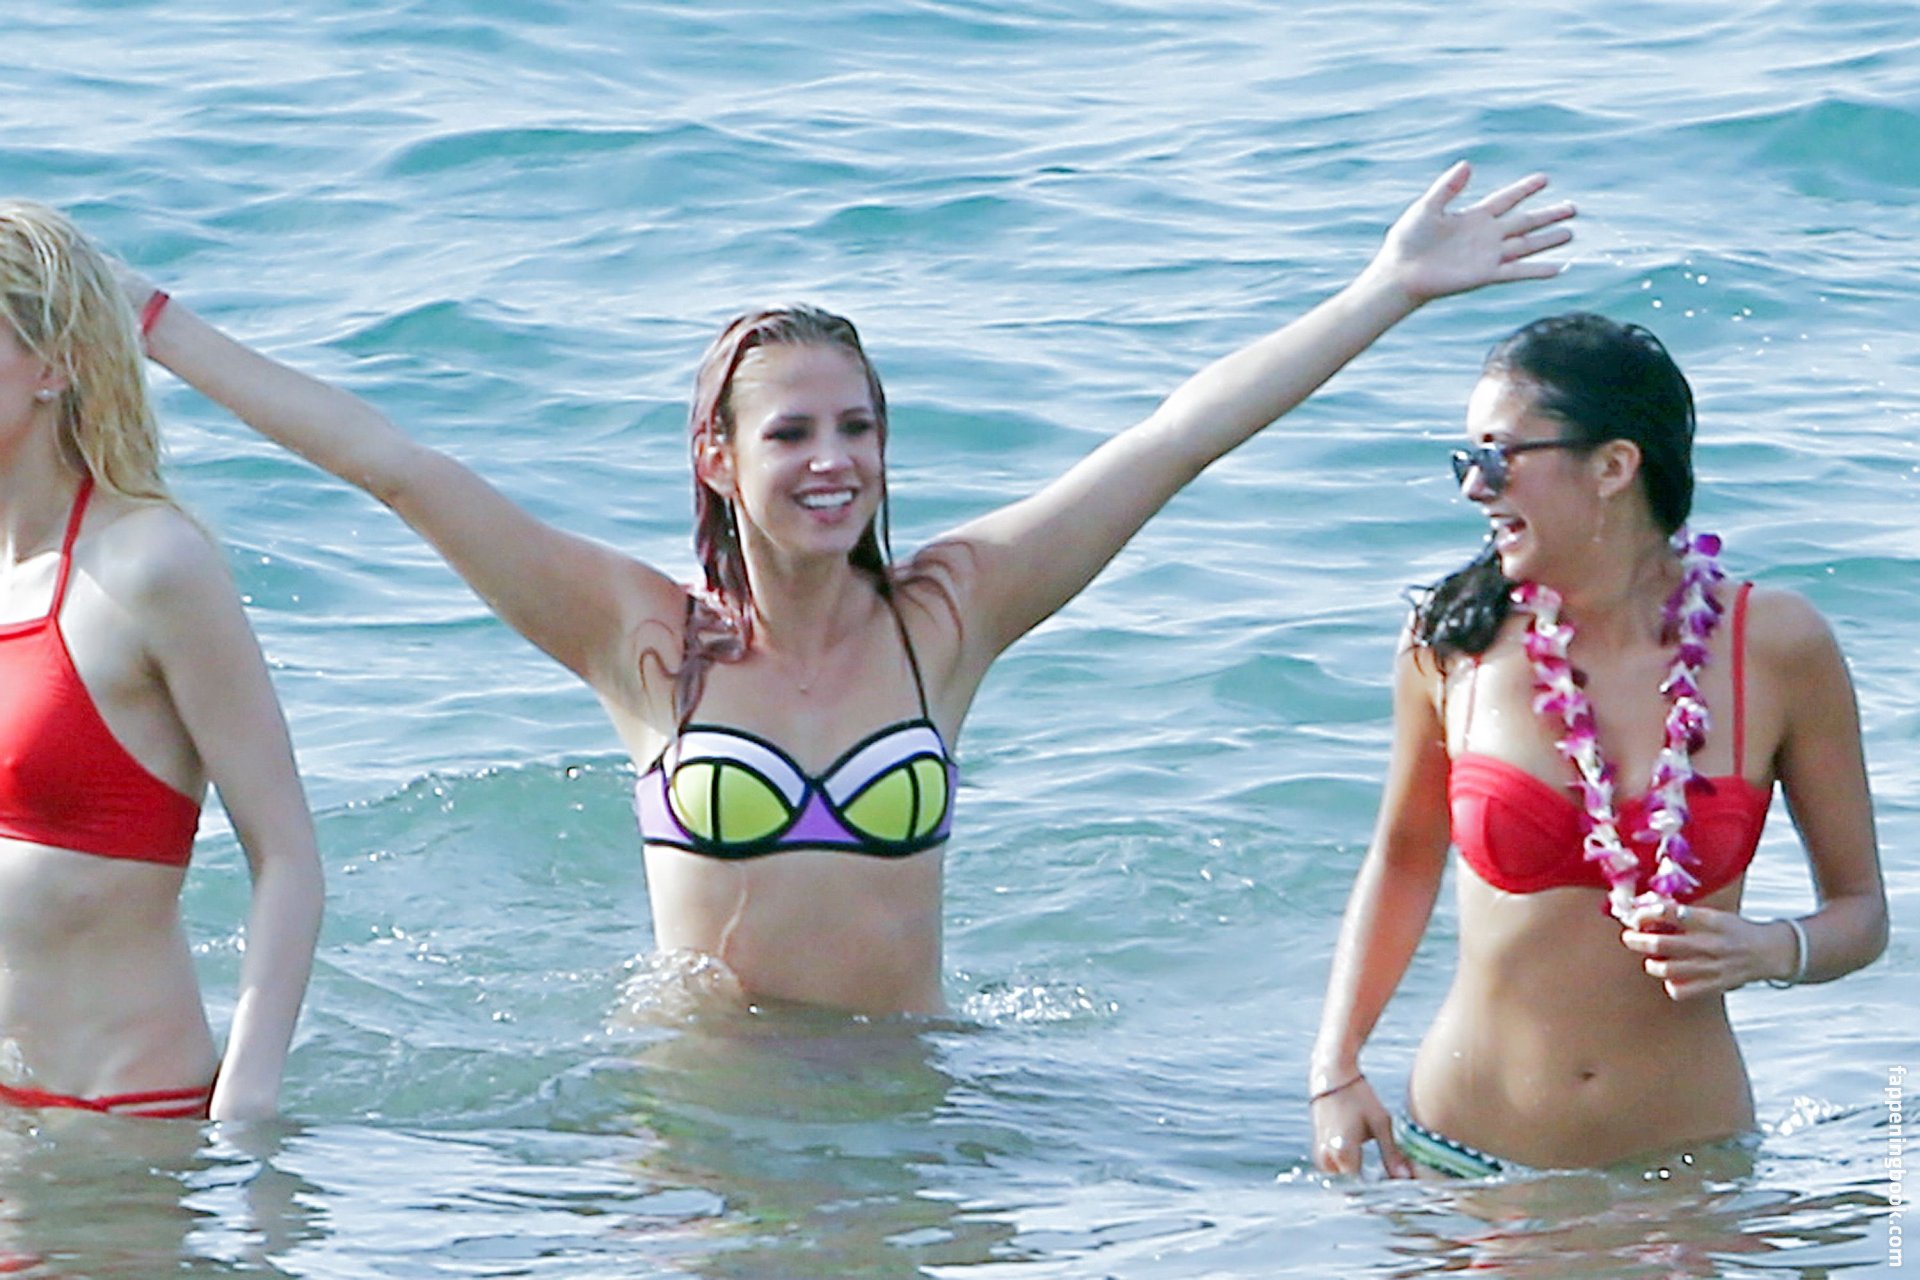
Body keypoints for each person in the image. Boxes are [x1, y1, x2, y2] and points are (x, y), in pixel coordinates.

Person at [120, 162, 1572, 1017]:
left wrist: (1384, 290)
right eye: (793, 433)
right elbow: (399, 468)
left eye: (859, 427)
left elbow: (1173, 439)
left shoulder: (951, 617)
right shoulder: (643, 643)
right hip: (701, 1117)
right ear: (718, 455)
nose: (835, 462)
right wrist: (154, 324)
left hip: (907, 1102)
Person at [1308, 312, 1888, 1177]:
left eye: (1499, 457)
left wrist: (1771, 949)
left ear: (1615, 466)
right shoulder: (1453, 642)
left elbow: (1861, 912)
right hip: (1461, 1166)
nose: (1474, 488)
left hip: (1687, 1177)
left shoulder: (1777, 646)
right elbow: (1401, 860)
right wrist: (1335, 1068)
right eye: (1467, 460)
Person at [0, 201, 323, 1121]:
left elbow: (287, 856)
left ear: (54, 366)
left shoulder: (152, 565)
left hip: (125, 1124)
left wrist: (244, 1109)